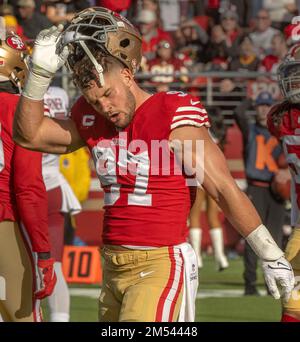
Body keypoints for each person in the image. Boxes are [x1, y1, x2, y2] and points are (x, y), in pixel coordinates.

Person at [13, 7, 294, 322]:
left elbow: (221, 187)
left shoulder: (172, 112)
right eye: (95, 101)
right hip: (112, 266)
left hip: (160, 263)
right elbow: (30, 135)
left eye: (108, 94)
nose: (104, 106)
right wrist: (38, 76)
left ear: (128, 75)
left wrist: (270, 254)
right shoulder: (90, 116)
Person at [0, 33, 56, 321]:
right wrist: (43, 251)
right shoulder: (17, 109)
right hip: (5, 225)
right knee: (22, 317)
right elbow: (27, 187)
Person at [233, 91, 287, 296]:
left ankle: (272, 281)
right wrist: (251, 96)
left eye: (267, 106)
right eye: (260, 106)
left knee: (274, 237)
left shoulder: (279, 132)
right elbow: (238, 112)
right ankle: (250, 283)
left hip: (277, 190)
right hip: (256, 188)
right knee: (254, 237)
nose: (263, 109)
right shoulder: (251, 130)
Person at [43, 85, 82, 322]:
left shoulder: (13, 97)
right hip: (53, 185)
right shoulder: (59, 95)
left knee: (12, 266)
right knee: (54, 265)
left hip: (19, 188)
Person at [267, 43, 300, 322]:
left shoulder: (281, 117)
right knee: (291, 297)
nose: (295, 82)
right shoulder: (282, 117)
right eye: (294, 74)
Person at [189, 108, 229, 271]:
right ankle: (221, 257)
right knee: (214, 217)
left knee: (195, 217)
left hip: (198, 176)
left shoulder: (199, 134)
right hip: (214, 178)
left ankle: (197, 257)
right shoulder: (220, 137)